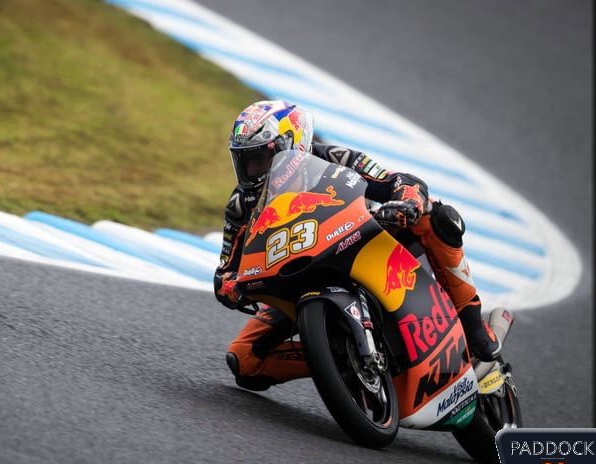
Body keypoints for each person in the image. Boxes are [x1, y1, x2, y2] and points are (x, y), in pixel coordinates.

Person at [214, 100, 502, 391]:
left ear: (291, 145)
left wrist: (407, 202)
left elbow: (400, 181)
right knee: (244, 360)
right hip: (298, 276)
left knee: (436, 217)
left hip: (359, 241)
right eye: (244, 161)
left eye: (259, 159)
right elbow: (226, 269)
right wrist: (233, 287)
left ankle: (474, 325)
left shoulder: (335, 158)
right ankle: (338, 360)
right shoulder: (241, 205)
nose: (251, 170)